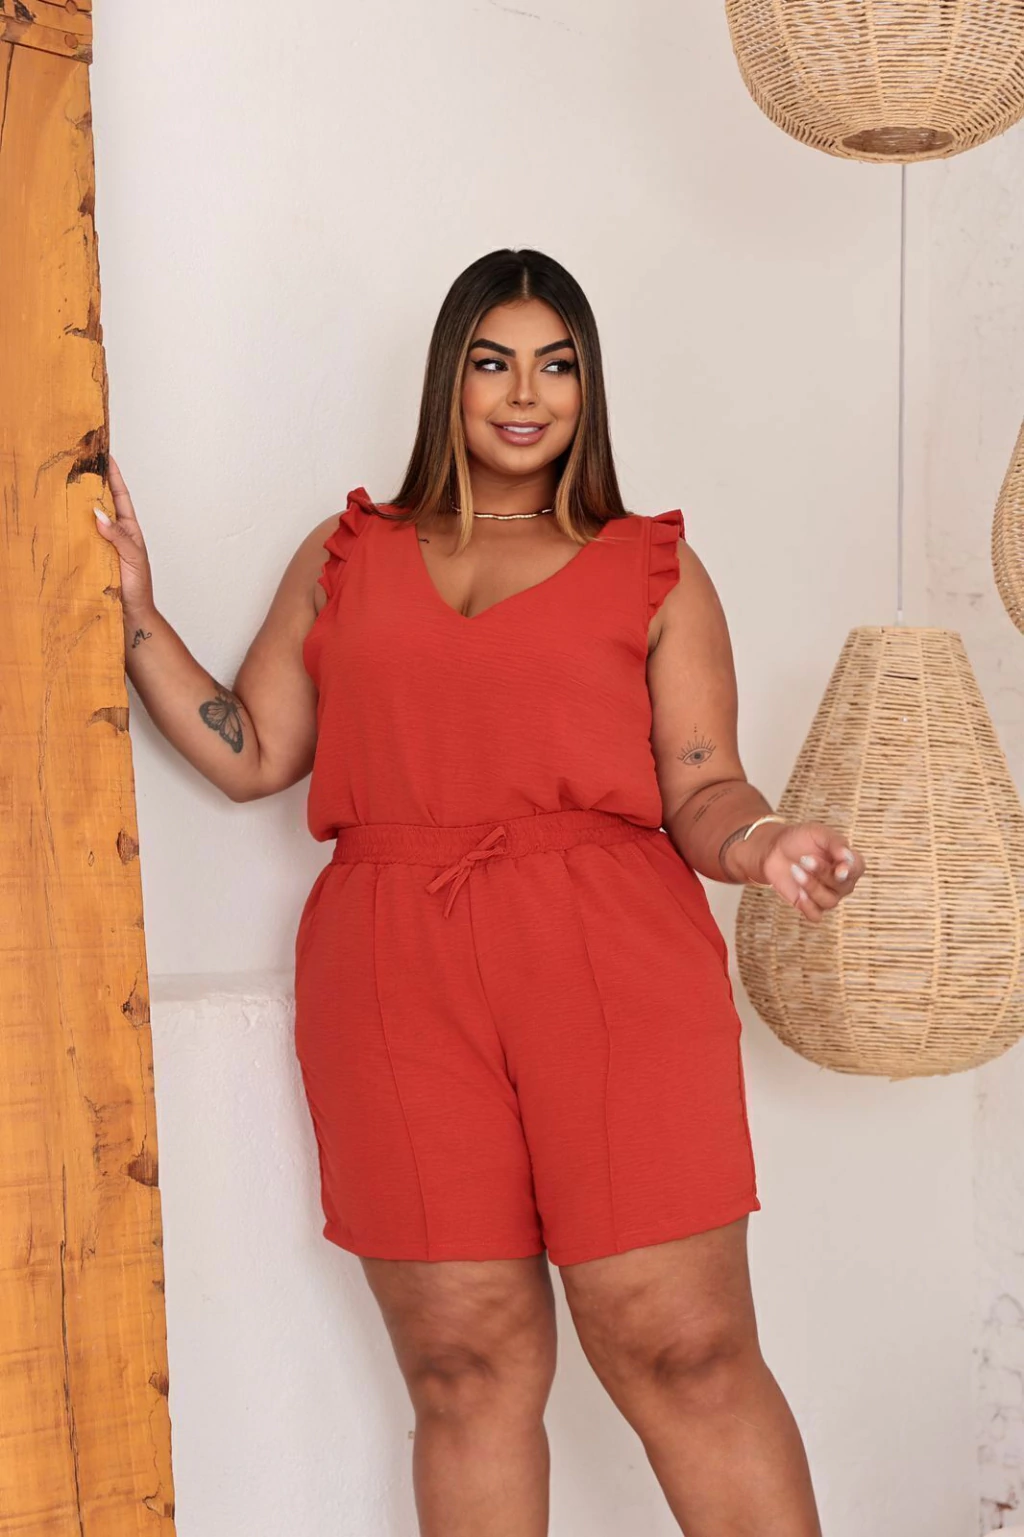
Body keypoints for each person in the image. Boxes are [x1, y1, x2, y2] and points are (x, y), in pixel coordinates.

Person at [96, 246, 865, 1537]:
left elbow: (702, 788)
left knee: (684, 1352)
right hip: (391, 968)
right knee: (462, 1369)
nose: (524, 394)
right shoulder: (347, 552)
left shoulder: (652, 565)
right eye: (491, 362)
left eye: (555, 365)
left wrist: (767, 843)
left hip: (610, 959)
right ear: (447, 379)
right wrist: (133, 611)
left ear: (588, 387)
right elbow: (253, 753)